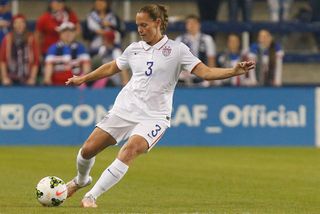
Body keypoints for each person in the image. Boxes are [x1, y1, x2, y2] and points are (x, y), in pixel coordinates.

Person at [65, 4, 255, 208]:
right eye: (138, 25)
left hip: (154, 117)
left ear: (157, 23)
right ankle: (81, 180)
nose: (140, 29)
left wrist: (233, 71)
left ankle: (91, 197)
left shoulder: (177, 50)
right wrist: (84, 78)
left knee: (130, 150)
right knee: (87, 150)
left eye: (144, 25)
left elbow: (206, 72)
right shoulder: (134, 48)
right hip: (125, 109)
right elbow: (113, 67)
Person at [43, 22, 90, 86]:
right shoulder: (53, 48)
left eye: (71, 31)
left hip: (76, 85)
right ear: (60, 34)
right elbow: (48, 68)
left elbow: (86, 68)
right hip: (57, 85)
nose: (68, 34)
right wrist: (48, 81)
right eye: (64, 31)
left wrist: (83, 82)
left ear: (75, 33)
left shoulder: (81, 48)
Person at [175, 14, 216, 87]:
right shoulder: (179, 40)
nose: (191, 25)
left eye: (194, 23)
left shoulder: (207, 39)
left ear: (199, 25)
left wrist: (211, 78)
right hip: (184, 76)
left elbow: (211, 59)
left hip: (202, 75)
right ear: (186, 26)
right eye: (189, 23)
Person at [0, 14, 39, 86]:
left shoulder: (31, 39)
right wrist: (5, 77)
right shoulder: (7, 39)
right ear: (13, 25)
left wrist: (32, 78)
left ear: (25, 24)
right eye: (16, 22)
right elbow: (2, 60)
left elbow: (36, 61)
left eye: (22, 22)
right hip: (11, 77)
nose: (19, 25)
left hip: (27, 77)